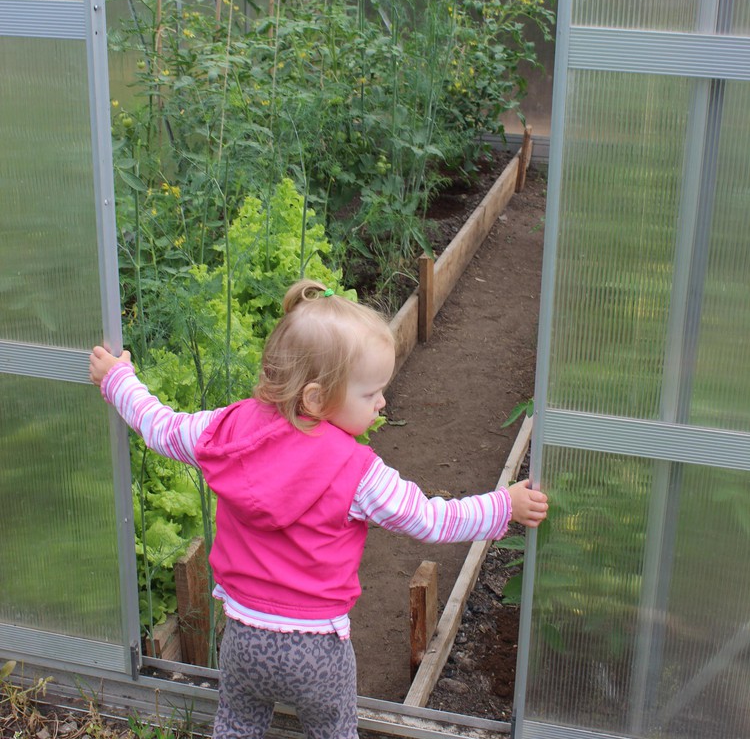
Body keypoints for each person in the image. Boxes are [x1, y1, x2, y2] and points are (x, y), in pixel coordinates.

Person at [89, 279, 548, 739]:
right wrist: (503, 505)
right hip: (316, 651)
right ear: (314, 398)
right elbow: (429, 519)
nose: (382, 402)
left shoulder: (226, 430)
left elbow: (162, 427)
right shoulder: (357, 470)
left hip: (244, 638)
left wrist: (117, 379)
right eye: (370, 394)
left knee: (237, 725)